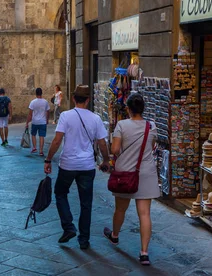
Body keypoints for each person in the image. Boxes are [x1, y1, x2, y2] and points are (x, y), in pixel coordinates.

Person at [44, 85, 110, 249]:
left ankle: (68, 227)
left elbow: (57, 140)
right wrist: (106, 160)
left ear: (74, 99)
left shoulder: (66, 116)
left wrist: (48, 159)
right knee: (86, 203)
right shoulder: (95, 118)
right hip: (87, 165)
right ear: (88, 100)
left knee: (60, 193)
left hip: (68, 164)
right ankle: (84, 240)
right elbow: (102, 143)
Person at [103, 93, 158, 266]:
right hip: (145, 172)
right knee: (145, 213)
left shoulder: (122, 125)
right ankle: (144, 253)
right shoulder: (152, 126)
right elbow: (152, 146)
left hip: (125, 173)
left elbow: (115, 149)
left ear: (128, 108)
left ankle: (115, 235)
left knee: (120, 209)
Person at [26, 88, 50, 156]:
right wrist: (47, 119)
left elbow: (30, 114)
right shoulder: (45, 102)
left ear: (36, 93)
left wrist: (27, 122)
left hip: (35, 121)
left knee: (33, 134)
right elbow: (47, 112)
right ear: (41, 93)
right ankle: (41, 151)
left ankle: (34, 147)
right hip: (43, 122)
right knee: (41, 136)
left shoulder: (33, 102)